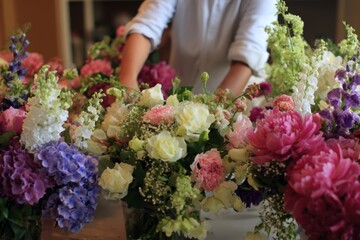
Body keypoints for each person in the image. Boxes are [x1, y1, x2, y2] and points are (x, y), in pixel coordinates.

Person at [119, 0, 277, 96]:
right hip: (176, 96)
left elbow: (248, 54)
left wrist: (214, 115)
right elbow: (146, 24)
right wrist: (127, 80)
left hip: (234, 101)